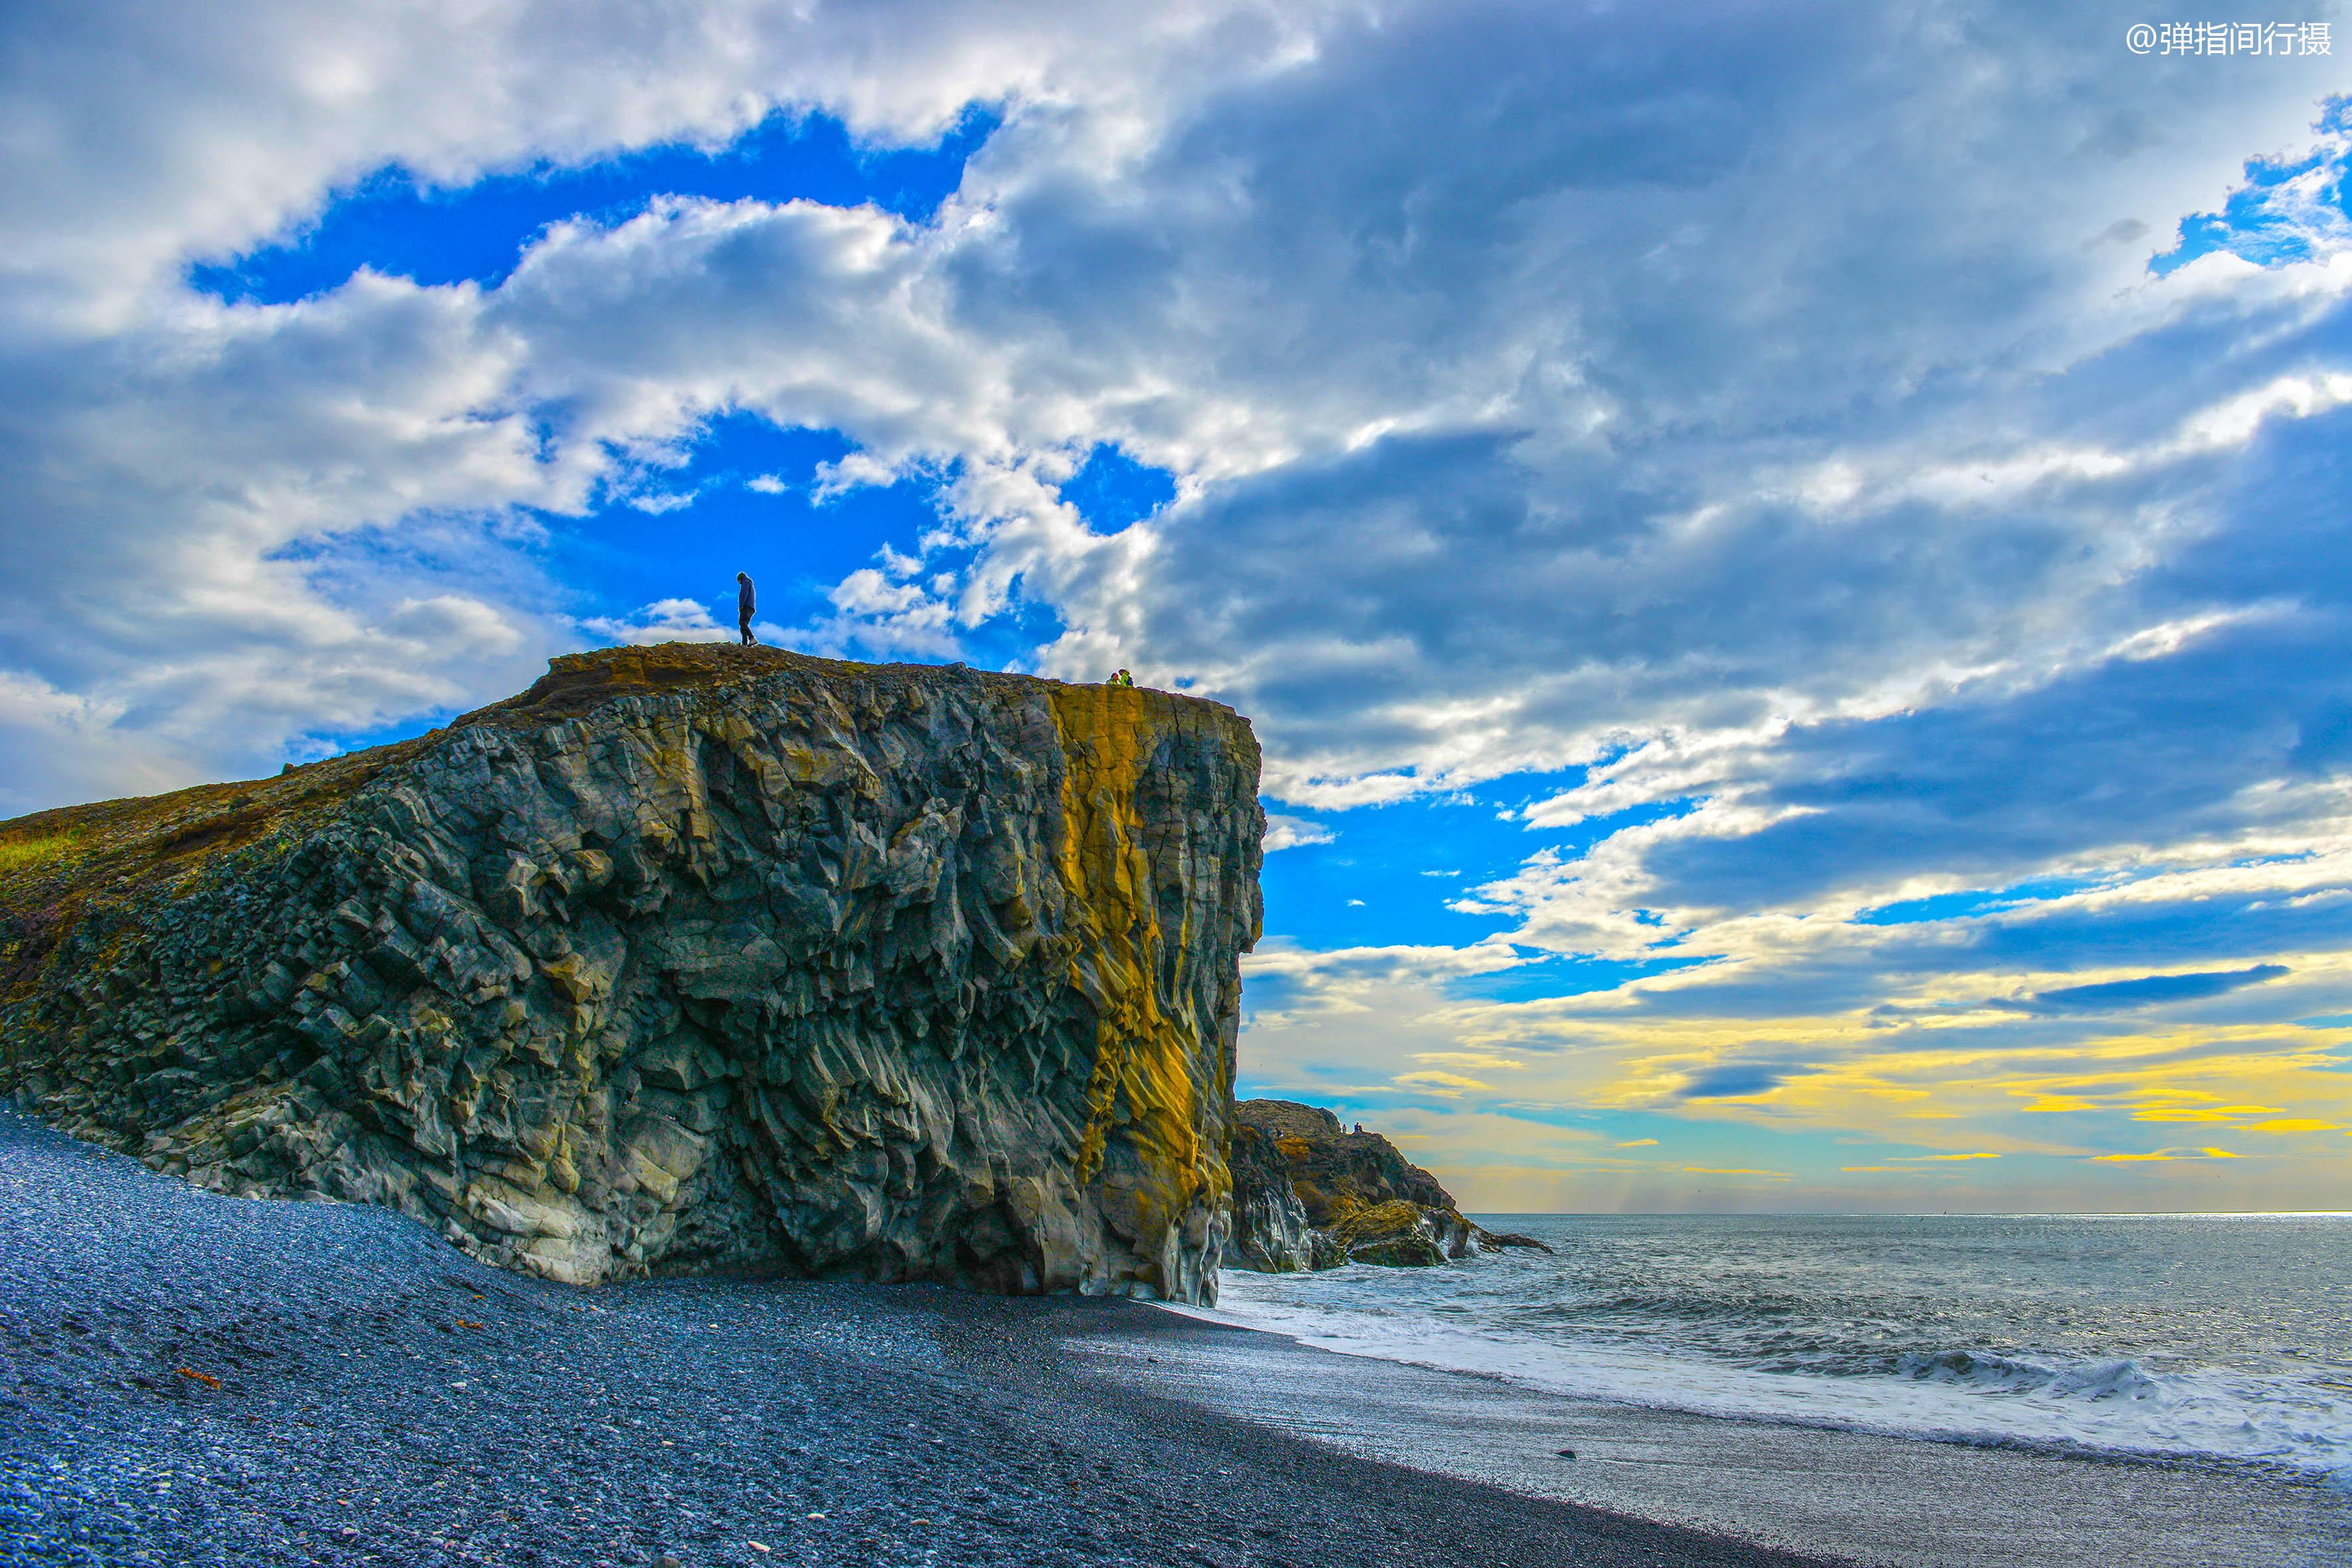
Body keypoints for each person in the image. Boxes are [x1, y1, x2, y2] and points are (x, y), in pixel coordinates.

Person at [736, 572, 756, 646]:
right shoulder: (750, 584)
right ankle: (745, 644)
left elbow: (744, 594)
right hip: (751, 608)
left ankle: (752, 638)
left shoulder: (745, 582)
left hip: (746, 606)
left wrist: (741, 605)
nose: (740, 584)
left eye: (739, 582)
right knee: (744, 626)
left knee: (742, 622)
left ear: (740, 579)